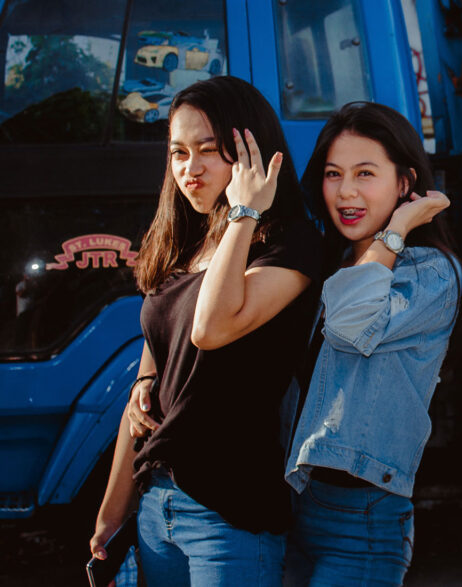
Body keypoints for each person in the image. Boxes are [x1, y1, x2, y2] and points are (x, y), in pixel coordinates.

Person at [90, 76, 322, 586]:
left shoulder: (289, 245)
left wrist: (244, 212)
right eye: (178, 152)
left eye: (209, 151)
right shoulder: (182, 247)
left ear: (252, 154)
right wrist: (112, 511)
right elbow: (145, 399)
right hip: (156, 506)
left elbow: (211, 328)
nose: (189, 169)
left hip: (228, 513)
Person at [283, 101, 462, 586]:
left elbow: (349, 324)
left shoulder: (429, 272)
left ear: (404, 183)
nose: (346, 191)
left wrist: (398, 227)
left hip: (362, 517)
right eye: (333, 174)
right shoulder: (334, 261)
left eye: (365, 173)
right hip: (298, 501)